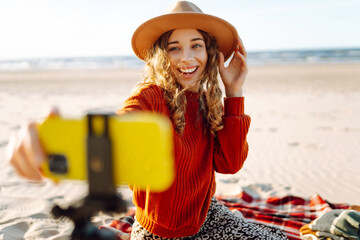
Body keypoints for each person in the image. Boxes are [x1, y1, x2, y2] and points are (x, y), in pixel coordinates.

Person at [6, 1, 287, 239]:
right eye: (174, 47)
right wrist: (49, 142)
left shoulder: (206, 99)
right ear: (160, 55)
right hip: (158, 233)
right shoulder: (150, 97)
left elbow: (230, 163)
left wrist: (234, 92)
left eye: (196, 45)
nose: (186, 58)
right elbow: (117, 130)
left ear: (209, 53)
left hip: (207, 217)